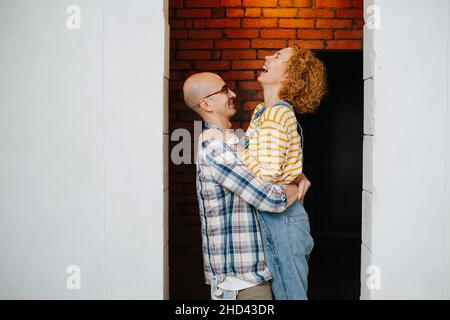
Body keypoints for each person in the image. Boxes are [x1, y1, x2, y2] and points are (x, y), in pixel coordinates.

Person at [182, 72, 311, 300]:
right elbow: (270, 198)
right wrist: (293, 189)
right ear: (206, 104)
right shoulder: (216, 150)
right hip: (243, 284)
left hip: (252, 278)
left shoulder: (233, 143)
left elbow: (265, 172)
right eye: (224, 90)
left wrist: (295, 174)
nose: (232, 94)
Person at [239, 45, 327, 299]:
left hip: (284, 221)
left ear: (292, 74)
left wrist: (231, 153)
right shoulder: (264, 113)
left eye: (277, 56)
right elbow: (269, 165)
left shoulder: (278, 114)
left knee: (290, 296)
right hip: (275, 217)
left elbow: (264, 175)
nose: (267, 56)